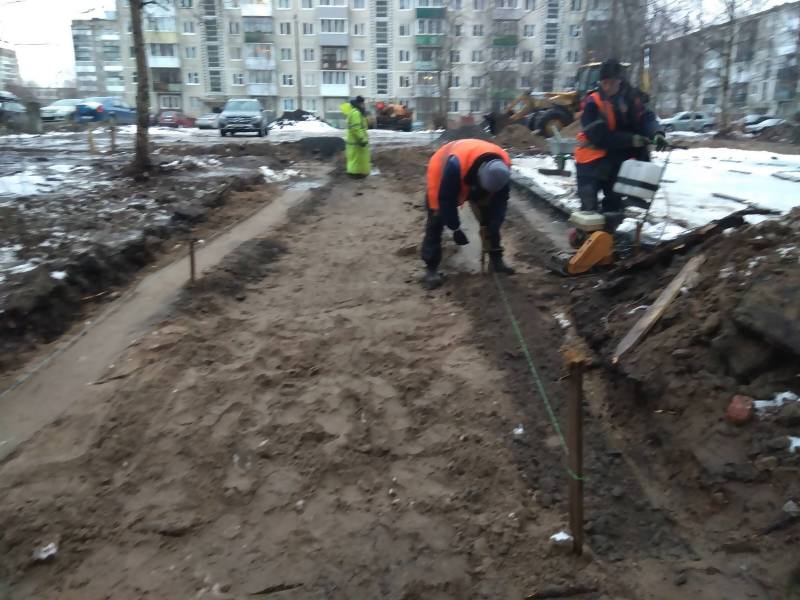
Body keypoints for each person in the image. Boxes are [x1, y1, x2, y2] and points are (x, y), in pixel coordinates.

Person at [574, 58, 666, 221]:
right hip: (591, 160)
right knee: (588, 206)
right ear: (600, 82)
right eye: (605, 83)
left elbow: (646, 117)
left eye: (612, 82)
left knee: (614, 206)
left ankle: (610, 228)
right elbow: (599, 136)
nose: (608, 87)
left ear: (620, 81)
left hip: (616, 159)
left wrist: (656, 132)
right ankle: (586, 231)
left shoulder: (631, 99)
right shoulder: (592, 102)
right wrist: (631, 140)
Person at [421, 138, 514, 289]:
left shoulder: (503, 169)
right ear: (479, 176)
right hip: (442, 169)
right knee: (436, 218)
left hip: (474, 171)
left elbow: (501, 201)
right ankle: (431, 268)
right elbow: (446, 200)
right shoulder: (454, 167)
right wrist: (455, 228)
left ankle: (496, 260)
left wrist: (495, 223)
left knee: (490, 218)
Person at [340, 95, 370, 178]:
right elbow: (356, 128)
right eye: (363, 104)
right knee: (355, 159)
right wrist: (362, 139)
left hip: (355, 142)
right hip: (356, 142)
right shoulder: (356, 113)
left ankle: (357, 173)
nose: (364, 105)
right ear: (360, 104)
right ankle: (354, 174)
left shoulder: (354, 112)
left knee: (355, 159)